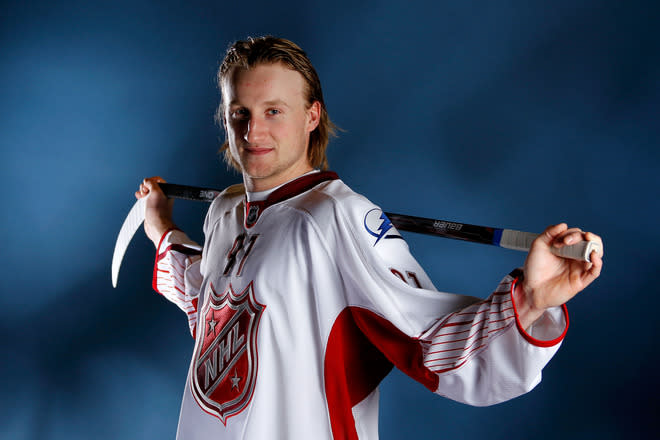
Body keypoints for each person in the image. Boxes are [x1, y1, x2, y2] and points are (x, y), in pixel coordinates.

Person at [135, 36, 603, 440]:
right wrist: (161, 228)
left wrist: (530, 300)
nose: (253, 130)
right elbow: (211, 301)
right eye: (241, 112)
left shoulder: (339, 217)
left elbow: (429, 341)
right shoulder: (226, 213)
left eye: (274, 111)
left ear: (312, 115)